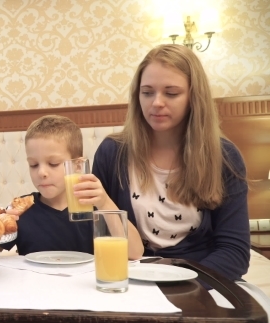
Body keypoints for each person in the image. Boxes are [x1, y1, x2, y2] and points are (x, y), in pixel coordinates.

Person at [92, 44, 250, 282]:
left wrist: (184, 287)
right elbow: (95, 237)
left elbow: (234, 252)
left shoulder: (224, 157)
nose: (156, 102)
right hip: (129, 282)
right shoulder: (112, 152)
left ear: (193, 98)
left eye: (171, 93)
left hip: (202, 285)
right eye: (147, 92)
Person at [0, 115, 143, 323]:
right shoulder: (25, 209)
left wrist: (104, 201)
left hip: (90, 313)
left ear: (78, 165)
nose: (41, 172)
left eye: (53, 164)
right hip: (34, 315)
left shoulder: (96, 207)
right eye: (33, 165)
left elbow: (135, 252)